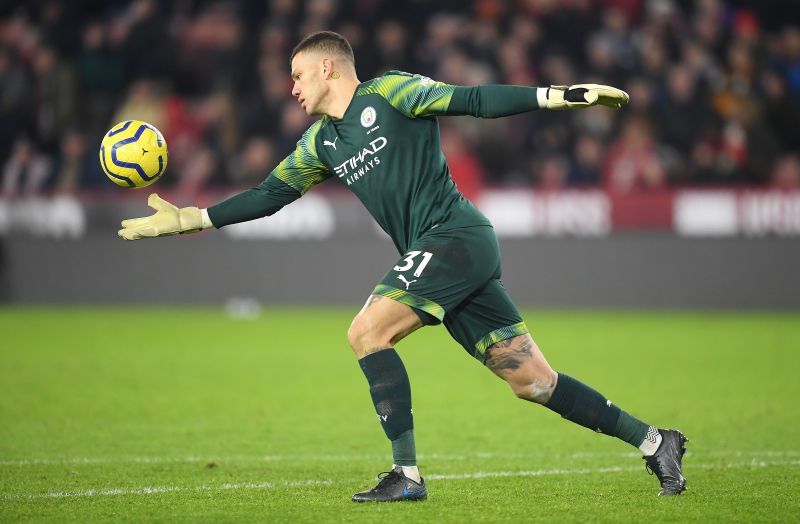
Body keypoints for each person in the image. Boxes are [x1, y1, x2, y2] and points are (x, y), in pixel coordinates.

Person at [118, 31, 688, 501]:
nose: (289, 88)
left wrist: (559, 96)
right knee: (533, 382)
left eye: (297, 76)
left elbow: (472, 99)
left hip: (454, 236)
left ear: (327, 69)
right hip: (441, 255)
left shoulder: (390, 93)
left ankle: (406, 474)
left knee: (367, 331)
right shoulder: (322, 143)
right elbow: (271, 193)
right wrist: (190, 219)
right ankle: (655, 441)